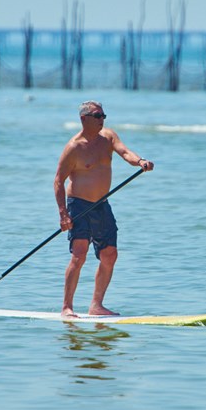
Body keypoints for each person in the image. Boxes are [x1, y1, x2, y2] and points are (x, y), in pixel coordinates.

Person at [54, 101, 154, 318]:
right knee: (79, 255)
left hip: (101, 204)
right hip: (78, 204)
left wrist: (140, 161)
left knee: (110, 254)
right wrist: (63, 214)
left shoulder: (108, 137)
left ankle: (96, 305)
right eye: (98, 116)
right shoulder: (74, 147)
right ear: (84, 119)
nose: (102, 120)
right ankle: (67, 308)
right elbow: (58, 182)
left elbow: (125, 153)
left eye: (103, 115)